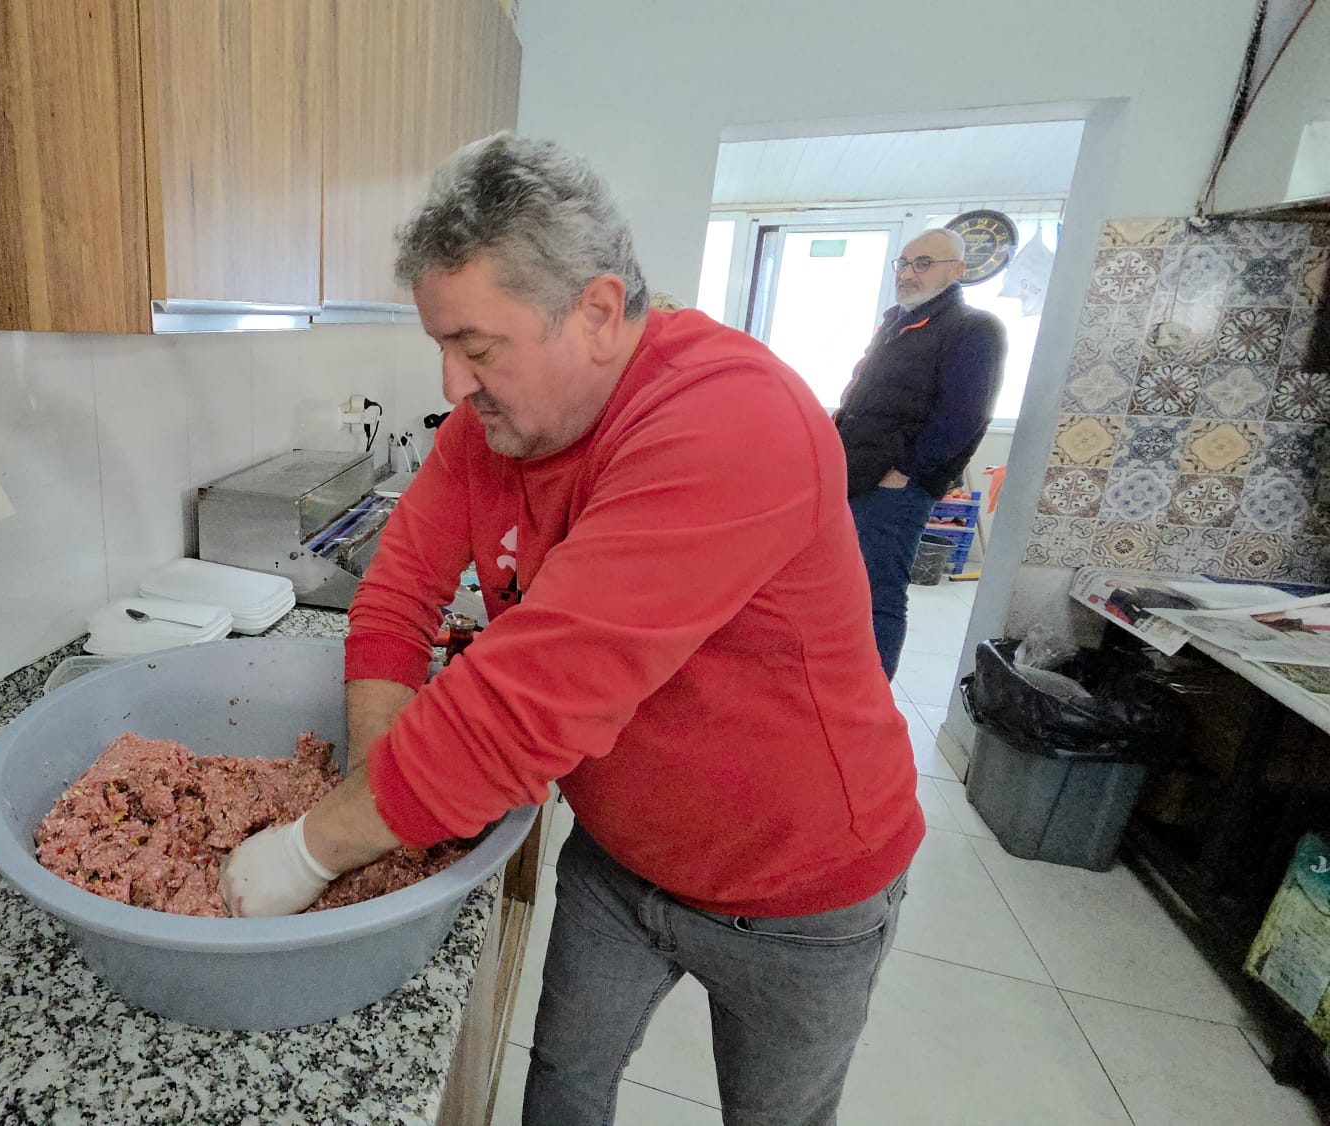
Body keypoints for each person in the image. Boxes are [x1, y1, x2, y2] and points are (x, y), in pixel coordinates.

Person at [219, 134, 922, 1126]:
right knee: (560, 1089)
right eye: (441, 347)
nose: (453, 385)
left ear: (595, 311)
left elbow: (523, 708)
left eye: (476, 348)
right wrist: (376, 795)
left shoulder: (731, 419)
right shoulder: (495, 428)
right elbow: (395, 596)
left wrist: (307, 852)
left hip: (799, 891)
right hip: (617, 859)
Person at [834, 229, 1006, 677]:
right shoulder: (898, 323)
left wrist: (906, 472)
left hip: (893, 488)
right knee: (843, 589)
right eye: (905, 263)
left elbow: (966, 416)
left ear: (957, 271)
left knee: (878, 594)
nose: (908, 273)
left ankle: (870, 697)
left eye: (924, 263)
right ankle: (841, 687)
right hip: (855, 476)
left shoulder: (972, 328)